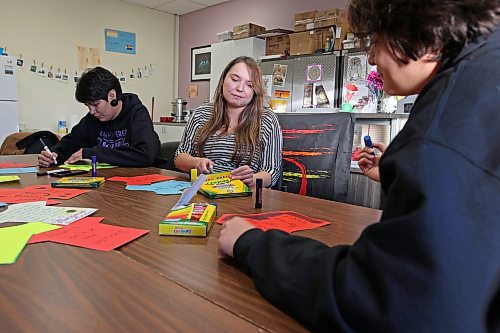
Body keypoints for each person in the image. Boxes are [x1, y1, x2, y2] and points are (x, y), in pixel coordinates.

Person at [218, 1, 500, 332]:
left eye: (374, 41)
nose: (369, 58)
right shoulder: (482, 74)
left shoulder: (446, 123)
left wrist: (252, 244)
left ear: (419, 30)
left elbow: (390, 300)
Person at [175, 56, 282, 188]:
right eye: (235, 79)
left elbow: (272, 171)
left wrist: (252, 179)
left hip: (243, 196)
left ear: (255, 91)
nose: (240, 88)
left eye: (249, 85)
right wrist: (196, 162)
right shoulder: (201, 113)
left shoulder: (267, 119)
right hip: (202, 191)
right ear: (223, 79)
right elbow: (180, 157)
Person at [38, 66, 167, 168]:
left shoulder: (137, 113)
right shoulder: (92, 119)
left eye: (95, 104)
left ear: (112, 96)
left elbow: (144, 155)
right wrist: (54, 154)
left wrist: (94, 154)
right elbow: (71, 142)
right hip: (113, 183)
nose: (92, 111)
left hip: (147, 184)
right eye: (88, 106)